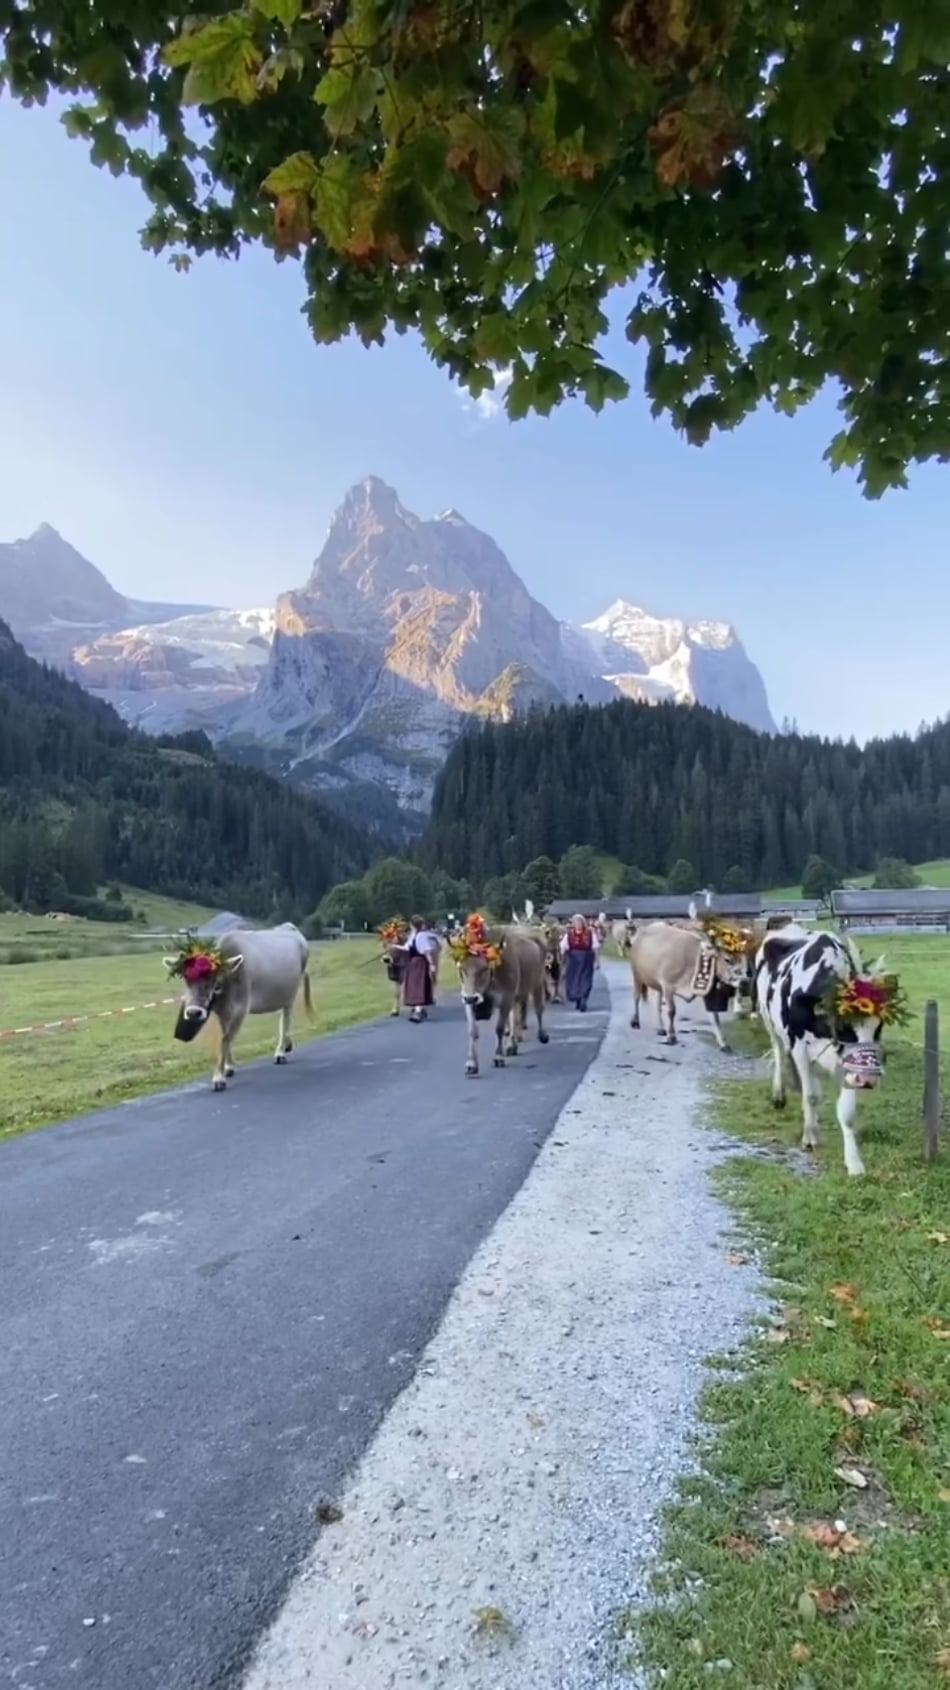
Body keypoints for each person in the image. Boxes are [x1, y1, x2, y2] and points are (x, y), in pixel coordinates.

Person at [400, 915, 439, 1023]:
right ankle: (419, 1009)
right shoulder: (413, 935)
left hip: (419, 963)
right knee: (414, 986)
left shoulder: (421, 936)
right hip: (413, 963)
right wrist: (394, 947)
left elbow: (426, 952)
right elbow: (407, 947)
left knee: (418, 986)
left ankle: (418, 1011)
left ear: (412, 925)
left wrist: (431, 964)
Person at [560, 912, 599, 1012]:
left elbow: (595, 947)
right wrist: (562, 960)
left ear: (583, 923)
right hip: (573, 960)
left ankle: (583, 999)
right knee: (573, 980)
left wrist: (597, 961)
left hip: (587, 959)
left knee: (585, 980)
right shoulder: (569, 934)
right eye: (576, 922)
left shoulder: (590, 933)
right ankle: (577, 999)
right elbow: (563, 948)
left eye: (579, 922)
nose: (578, 924)